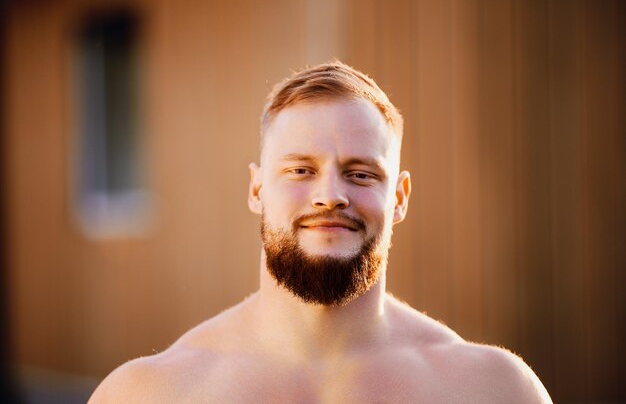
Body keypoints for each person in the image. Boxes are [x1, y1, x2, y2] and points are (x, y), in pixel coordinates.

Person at [88, 61, 552, 403]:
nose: (330, 195)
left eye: (361, 173)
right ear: (256, 188)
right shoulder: (148, 394)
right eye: (300, 170)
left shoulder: (493, 391)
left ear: (400, 196)